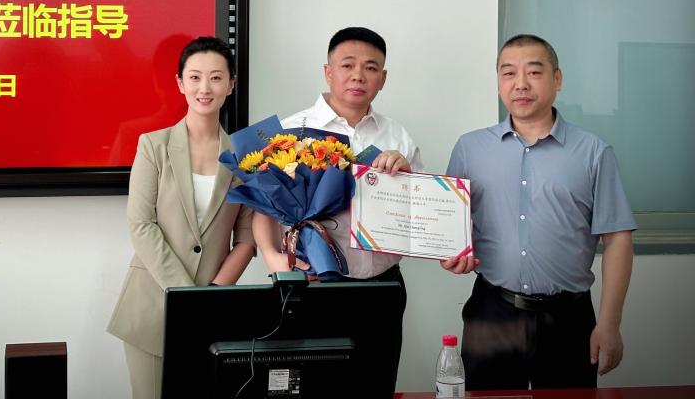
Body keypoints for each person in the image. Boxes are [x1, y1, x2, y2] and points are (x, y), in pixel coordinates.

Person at [442, 34, 636, 390]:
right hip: (492, 311)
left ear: (557, 79)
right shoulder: (470, 148)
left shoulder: (593, 152)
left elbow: (618, 239)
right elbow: (450, 227)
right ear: (498, 82)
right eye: (508, 73)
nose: (520, 84)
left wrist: (610, 324)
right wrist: (452, 252)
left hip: (569, 317)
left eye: (534, 72)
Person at [251, 26, 421, 393]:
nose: (358, 75)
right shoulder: (291, 131)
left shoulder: (399, 138)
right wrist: (273, 258)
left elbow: (418, 215)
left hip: (382, 285)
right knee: (311, 387)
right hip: (311, 285)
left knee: (376, 383)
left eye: (371, 68)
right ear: (328, 72)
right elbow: (263, 209)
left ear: (383, 79)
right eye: (347, 65)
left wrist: (406, 177)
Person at [107, 36, 256, 399]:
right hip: (152, 307)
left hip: (213, 311)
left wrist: (213, 296)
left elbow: (246, 239)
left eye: (216, 78)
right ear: (180, 83)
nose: (205, 88)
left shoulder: (246, 155)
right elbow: (141, 224)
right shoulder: (153, 145)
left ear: (231, 84)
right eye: (195, 77)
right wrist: (185, 296)